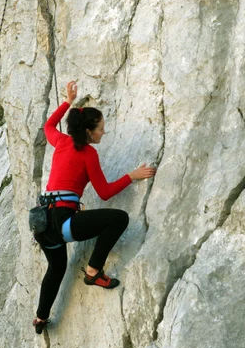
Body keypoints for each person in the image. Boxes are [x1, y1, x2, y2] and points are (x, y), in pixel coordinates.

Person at [32, 81, 156, 334]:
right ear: (88, 131)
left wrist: (68, 100)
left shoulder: (62, 142)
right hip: (62, 222)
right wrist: (131, 176)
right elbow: (105, 192)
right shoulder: (88, 154)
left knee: (55, 269)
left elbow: (47, 126)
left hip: (41, 223)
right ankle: (93, 271)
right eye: (100, 129)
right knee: (118, 218)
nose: (103, 133)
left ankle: (41, 318)